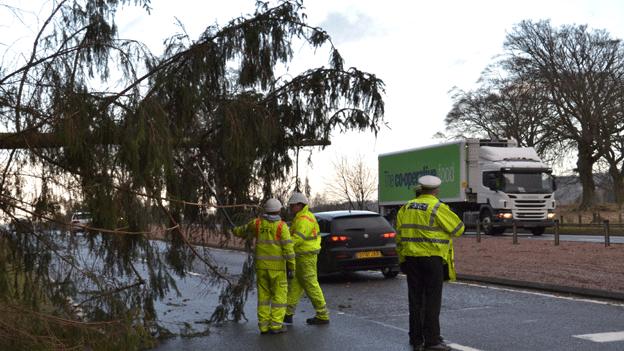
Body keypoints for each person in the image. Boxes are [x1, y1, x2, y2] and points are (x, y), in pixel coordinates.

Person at [396, 175, 465, 351]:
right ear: (436, 190)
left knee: (415, 300)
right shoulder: (437, 207)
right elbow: (458, 229)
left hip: (411, 259)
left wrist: (402, 259)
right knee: (432, 301)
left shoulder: (406, 207)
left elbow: (399, 236)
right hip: (432, 259)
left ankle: (416, 338)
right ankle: (432, 340)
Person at [233, 198, 296, 335]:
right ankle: (276, 326)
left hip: (261, 267)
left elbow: (242, 230)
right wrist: (291, 268)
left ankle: (263, 326)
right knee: (279, 297)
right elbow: (289, 250)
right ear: (279, 210)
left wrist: (234, 229)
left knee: (263, 298)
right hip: (278, 268)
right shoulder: (281, 226)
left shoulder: (257, 223)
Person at [284, 192, 330, 325]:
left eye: (292, 206)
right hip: (302, 256)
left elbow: (297, 239)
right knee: (296, 285)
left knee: (310, 285)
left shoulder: (303, 219)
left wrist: (283, 247)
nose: (291, 208)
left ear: (299, 205)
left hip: (305, 256)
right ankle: (288, 314)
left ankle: (322, 315)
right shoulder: (302, 217)